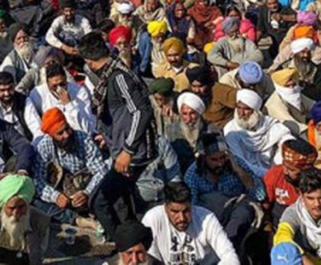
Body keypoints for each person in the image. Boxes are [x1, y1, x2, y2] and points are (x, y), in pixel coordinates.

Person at [78, 31, 156, 239]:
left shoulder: (119, 76)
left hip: (132, 153)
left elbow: (141, 111)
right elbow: (121, 113)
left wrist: (127, 150)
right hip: (120, 148)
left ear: (89, 61)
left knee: (100, 201)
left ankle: (123, 245)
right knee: (123, 203)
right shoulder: (111, 74)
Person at [32, 108, 109, 229]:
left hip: (85, 189)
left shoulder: (84, 139)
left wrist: (87, 192)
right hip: (61, 193)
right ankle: (77, 220)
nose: (67, 135)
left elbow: (101, 171)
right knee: (36, 202)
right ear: (52, 136)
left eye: (67, 128)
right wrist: (55, 196)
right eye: (60, 133)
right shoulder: (44, 146)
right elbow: (37, 180)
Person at [141, 182, 240, 265]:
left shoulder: (206, 218)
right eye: (175, 212)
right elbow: (147, 258)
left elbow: (230, 257)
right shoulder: (153, 219)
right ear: (165, 207)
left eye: (186, 211)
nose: (182, 218)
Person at [223, 89, 292, 178]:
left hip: (273, 169)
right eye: (238, 108)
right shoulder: (231, 129)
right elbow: (240, 161)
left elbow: (286, 138)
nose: (241, 113)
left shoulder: (267, 123)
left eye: (246, 109)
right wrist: (269, 175)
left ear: (255, 111)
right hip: (248, 173)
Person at [263, 139, 321, 221]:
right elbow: (265, 205)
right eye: (284, 166)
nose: (285, 172)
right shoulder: (275, 173)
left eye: (291, 170)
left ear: (305, 172)